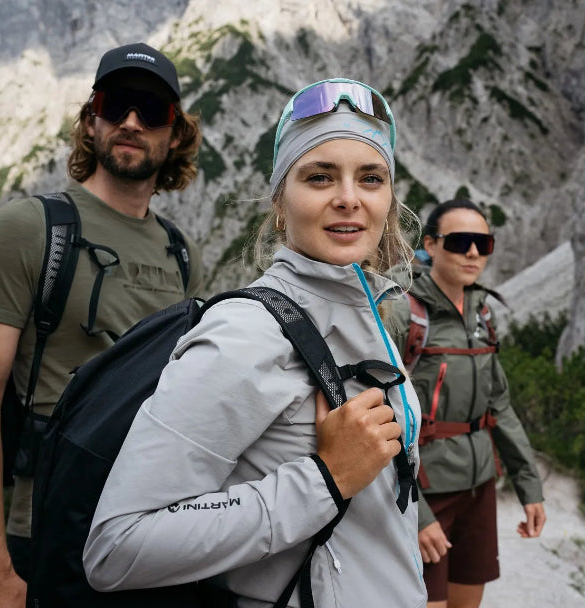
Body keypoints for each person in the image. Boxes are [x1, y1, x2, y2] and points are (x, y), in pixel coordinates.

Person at [82, 78, 426, 607]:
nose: (349, 199)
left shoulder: (368, 312)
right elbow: (117, 547)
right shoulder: (245, 333)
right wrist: (325, 480)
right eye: (319, 176)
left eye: (371, 178)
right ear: (281, 203)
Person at [0, 42, 205, 607]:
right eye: (115, 106)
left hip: (158, 531)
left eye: (152, 110)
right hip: (50, 530)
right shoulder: (26, 228)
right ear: (91, 122)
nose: (131, 122)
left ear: (176, 134)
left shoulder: (181, 253)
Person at [389, 198, 547, 608]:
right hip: (426, 489)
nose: (473, 253)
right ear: (431, 244)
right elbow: (381, 419)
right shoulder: (403, 312)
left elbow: (501, 408)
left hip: (479, 489)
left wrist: (530, 487)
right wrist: (419, 515)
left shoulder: (483, 312)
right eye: (460, 241)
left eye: (483, 242)